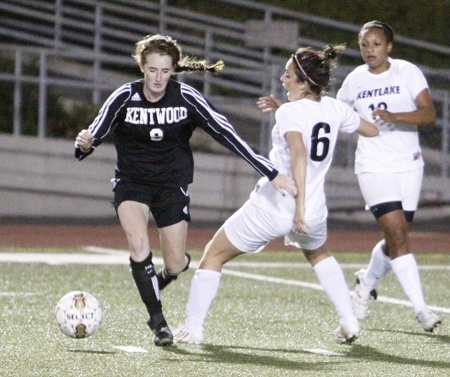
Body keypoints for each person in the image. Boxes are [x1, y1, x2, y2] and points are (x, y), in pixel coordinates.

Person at [74, 34, 297, 347]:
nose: (158, 78)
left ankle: (161, 277)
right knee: (139, 246)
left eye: (165, 71)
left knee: (176, 263)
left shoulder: (186, 98)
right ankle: (159, 323)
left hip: (171, 186)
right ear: (142, 67)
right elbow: (93, 137)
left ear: (173, 70)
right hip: (132, 184)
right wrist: (83, 144)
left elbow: (226, 134)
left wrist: (271, 172)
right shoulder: (124, 97)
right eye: (152, 70)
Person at [172, 44, 379, 345]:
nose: (283, 79)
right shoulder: (334, 108)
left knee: (213, 255)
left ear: (305, 82)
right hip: (315, 209)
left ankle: (192, 327)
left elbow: (298, 152)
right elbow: (371, 130)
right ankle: (348, 320)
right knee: (319, 253)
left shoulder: (292, 113)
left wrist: (297, 209)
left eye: (288, 75)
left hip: (277, 205)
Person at [336, 20, 441, 332]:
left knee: (398, 237)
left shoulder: (407, 72)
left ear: (389, 47)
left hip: (409, 164)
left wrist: (396, 115)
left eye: (376, 44)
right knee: (397, 234)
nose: (370, 50)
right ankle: (422, 311)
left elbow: (429, 114)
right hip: (373, 165)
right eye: (364, 44)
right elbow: (337, 116)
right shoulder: (354, 81)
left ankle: (365, 282)